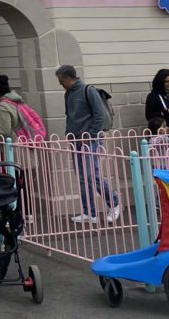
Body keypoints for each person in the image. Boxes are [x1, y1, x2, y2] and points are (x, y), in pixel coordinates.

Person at [56, 64, 120, 224]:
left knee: (92, 175)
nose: (60, 83)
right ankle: (89, 212)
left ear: (68, 78)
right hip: (76, 139)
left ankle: (114, 203)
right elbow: (69, 116)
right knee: (83, 176)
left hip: (90, 139)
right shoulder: (68, 93)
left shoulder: (88, 91)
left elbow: (99, 115)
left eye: (61, 80)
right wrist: (69, 133)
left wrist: (91, 135)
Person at [0, 76, 22, 140]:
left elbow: (5, 132)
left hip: (12, 143)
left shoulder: (3, 106)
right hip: (24, 140)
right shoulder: (17, 101)